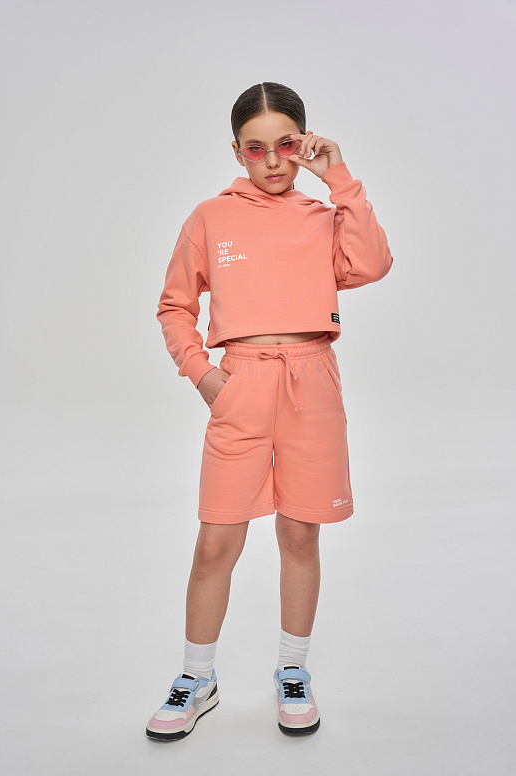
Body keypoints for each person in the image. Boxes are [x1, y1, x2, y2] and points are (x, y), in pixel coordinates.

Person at [146, 82, 393, 741]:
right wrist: (204, 376)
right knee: (217, 538)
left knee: (300, 533)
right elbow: (174, 305)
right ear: (237, 152)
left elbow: (373, 263)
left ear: (304, 143)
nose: (273, 160)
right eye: (256, 148)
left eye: (286, 144)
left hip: (312, 379)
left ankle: (292, 669)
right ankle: (197, 677)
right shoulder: (210, 218)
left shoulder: (322, 217)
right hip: (242, 384)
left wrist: (337, 175)